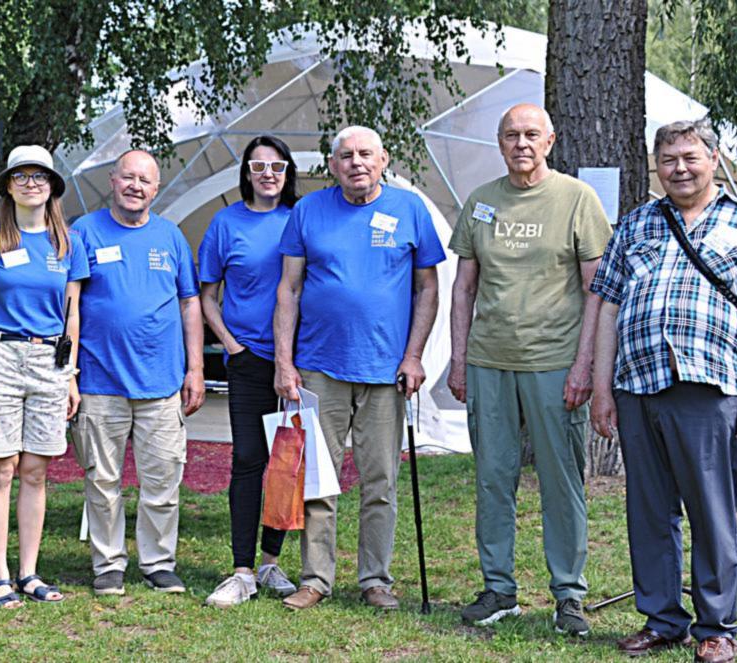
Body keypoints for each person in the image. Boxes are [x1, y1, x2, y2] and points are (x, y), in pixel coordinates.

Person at [590, 119, 737, 662]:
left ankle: (716, 627)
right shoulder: (636, 224)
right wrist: (601, 388)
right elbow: (608, 307)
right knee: (649, 510)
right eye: (668, 159)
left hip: (709, 390)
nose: (678, 168)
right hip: (637, 385)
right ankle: (662, 619)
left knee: (712, 511)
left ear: (712, 158)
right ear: (656, 166)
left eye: (689, 156)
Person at [446, 103, 612, 635]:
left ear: (550, 140)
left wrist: (584, 364)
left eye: (531, 134)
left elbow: (596, 290)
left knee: (561, 482)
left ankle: (568, 595)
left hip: (554, 362)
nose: (521, 143)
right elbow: (463, 288)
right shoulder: (481, 202)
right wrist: (457, 359)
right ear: (500, 143)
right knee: (494, 478)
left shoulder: (576, 199)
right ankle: (499, 588)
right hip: (489, 361)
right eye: (512, 135)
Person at [273, 126, 444, 611]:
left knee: (380, 481)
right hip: (319, 367)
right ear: (332, 165)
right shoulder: (309, 211)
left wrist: (414, 356)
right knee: (317, 479)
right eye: (345, 156)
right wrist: (285, 363)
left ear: (384, 159)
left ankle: (375, 579)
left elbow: (427, 288)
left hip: (385, 369)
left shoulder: (410, 209)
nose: (356, 163)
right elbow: (288, 288)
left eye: (365, 154)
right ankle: (315, 578)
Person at [72, 149, 204, 597]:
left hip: (161, 383)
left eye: (145, 180)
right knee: (102, 480)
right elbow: (69, 304)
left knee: (163, 480)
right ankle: (108, 563)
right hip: (99, 380)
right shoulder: (83, 232)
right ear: (112, 180)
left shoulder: (171, 237)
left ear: (157, 187)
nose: (135, 186)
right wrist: (68, 372)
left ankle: (157, 562)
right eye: (128, 177)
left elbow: (190, 303)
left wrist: (196, 369)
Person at [0, 145, 88, 610]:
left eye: (40, 176)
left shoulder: (68, 243)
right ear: (8, 186)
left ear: (53, 186)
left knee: (36, 471)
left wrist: (71, 374)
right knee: (1, 467)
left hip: (50, 362)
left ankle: (28, 573)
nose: (31, 183)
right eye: (22, 176)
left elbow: (72, 314)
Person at [199, 136, 300, 608]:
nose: (268, 174)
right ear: (246, 172)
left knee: (288, 463)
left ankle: (271, 561)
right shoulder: (225, 223)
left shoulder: (299, 219)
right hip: (249, 360)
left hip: (299, 360)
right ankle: (241, 570)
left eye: (276, 166)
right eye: (259, 166)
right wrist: (231, 344)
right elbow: (206, 296)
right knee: (248, 460)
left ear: (287, 172)